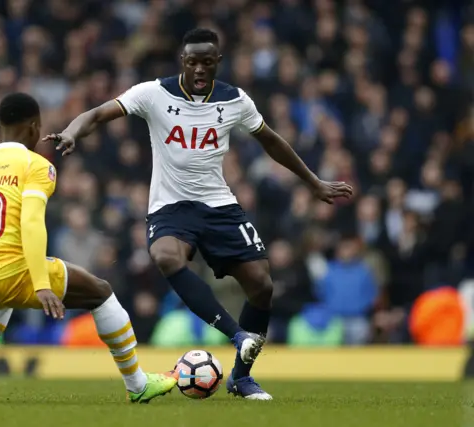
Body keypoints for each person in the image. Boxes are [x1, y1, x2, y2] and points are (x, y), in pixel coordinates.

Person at [45, 28, 353, 400]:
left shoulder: (235, 100)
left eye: (207, 62)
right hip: (171, 206)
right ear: (183, 62)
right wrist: (72, 132)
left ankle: (241, 378)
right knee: (164, 256)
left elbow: (271, 140)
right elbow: (98, 113)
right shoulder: (153, 94)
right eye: (192, 62)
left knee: (262, 285)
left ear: (217, 62)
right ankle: (237, 335)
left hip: (218, 204)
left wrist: (313, 182)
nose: (200, 69)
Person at [0, 92, 176, 404]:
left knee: (2, 292)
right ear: (34, 127)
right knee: (101, 292)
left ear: (0, 125)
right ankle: (138, 385)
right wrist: (42, 285)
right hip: (12, 273)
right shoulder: (37, 165)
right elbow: (31, 222)